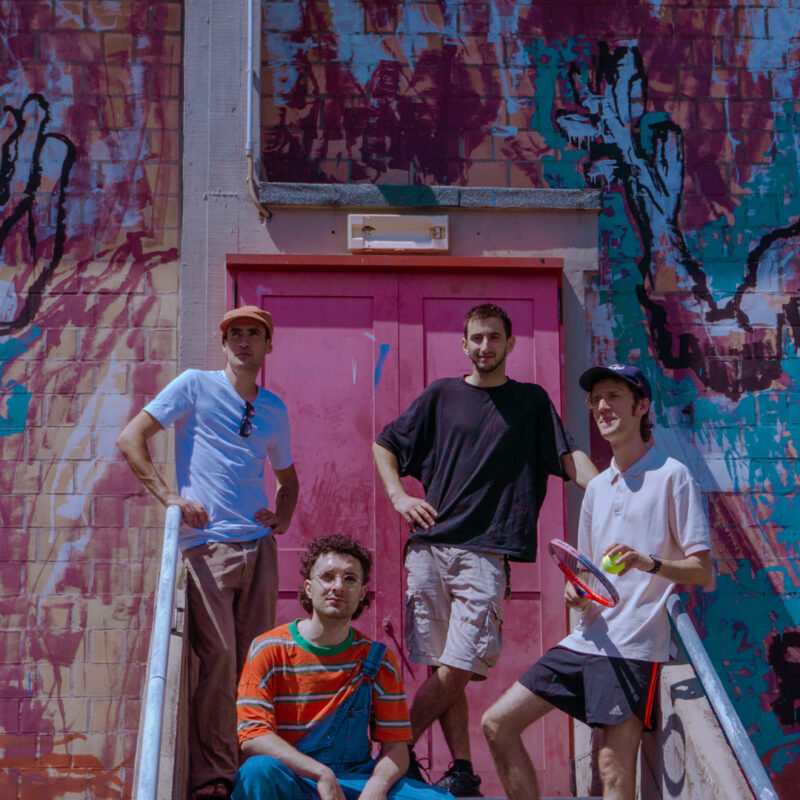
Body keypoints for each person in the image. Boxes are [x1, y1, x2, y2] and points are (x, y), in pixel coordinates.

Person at [371, 303, 597, 796]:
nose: (485, 346)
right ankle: (462, 770)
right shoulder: (440, 395)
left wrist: (609, 490)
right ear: (464, 344)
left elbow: (567, 458)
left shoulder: (530, 402)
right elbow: (385, 444)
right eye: (476, 338)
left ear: (510, 343)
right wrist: (399, 496)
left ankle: (392, 754)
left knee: (459, 665)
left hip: (484, 552)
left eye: (494, 337)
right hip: (429, 548)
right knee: (441, 665)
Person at [481, 362, 714, 800]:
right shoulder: (599, 488)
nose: (602, 406)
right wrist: (576, 589)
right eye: (596, 399)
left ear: (642, 407)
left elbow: (703, 572)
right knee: (497, 723)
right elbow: (586, 571)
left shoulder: (672, 476)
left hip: (633, 649)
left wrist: (648, 563)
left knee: (612, 769)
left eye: (614, 396)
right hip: (586, 641)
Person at [116, 305, 299, 800]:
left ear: (267, 345)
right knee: (218, 659)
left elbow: (288, 479)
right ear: (224, 343)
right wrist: (169, 497)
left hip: (258, 546)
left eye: (254, 334)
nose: (243, 341)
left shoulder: (274, 408)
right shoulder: (194, 385)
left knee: (256, 660)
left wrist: (282, 517)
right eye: (235, 333)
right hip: (207, 546)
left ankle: (253, 765)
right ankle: (214, 778)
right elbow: (131, 438)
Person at [233, 534, 453, 800]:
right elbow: (253, 736)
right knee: (257, 771)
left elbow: (396, 747)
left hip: (355, 782)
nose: (338, 586)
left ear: (362, 593)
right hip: (292, 779)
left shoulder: (377, 659)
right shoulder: (269, 649)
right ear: (308, 588)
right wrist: (320, 774)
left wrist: (377, 787)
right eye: (327, 577)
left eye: (350, 579)